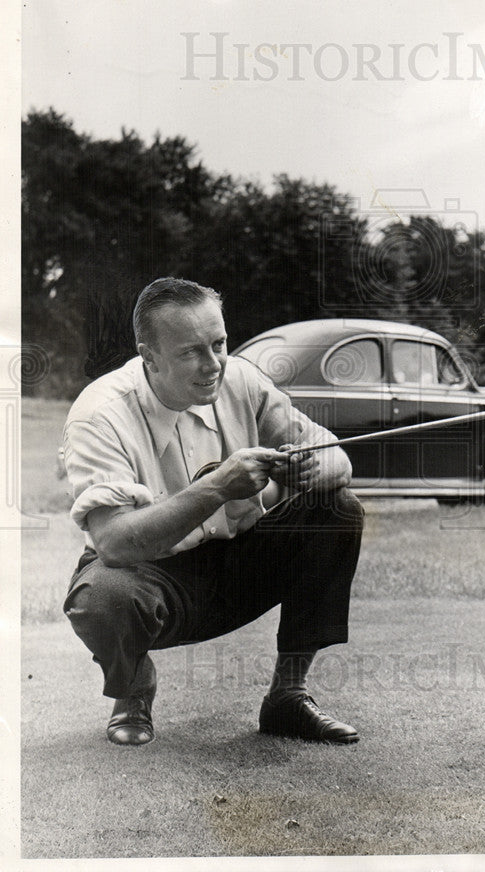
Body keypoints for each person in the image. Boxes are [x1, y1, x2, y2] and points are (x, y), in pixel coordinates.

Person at [62, 277, 364, 747]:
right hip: (149, 575)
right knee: (101, 597)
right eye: (190, 353)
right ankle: (135, 688)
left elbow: (337, 460)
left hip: (241, 563)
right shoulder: (99, 414)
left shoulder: (239, 377)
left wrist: (309, 470)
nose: (213, 365)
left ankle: (288, 696)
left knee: (338, 508)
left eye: (219, 343)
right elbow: (114, 542)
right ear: (149, 356)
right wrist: (218, 486)